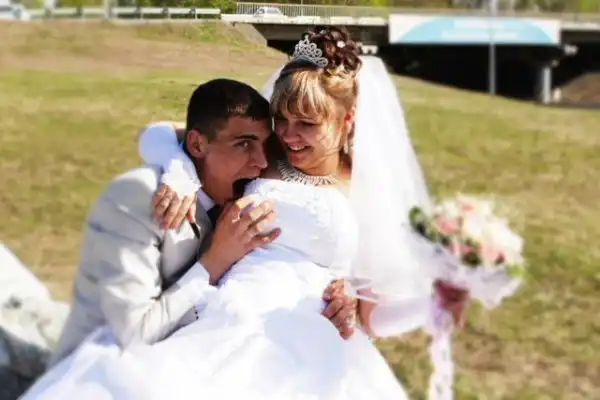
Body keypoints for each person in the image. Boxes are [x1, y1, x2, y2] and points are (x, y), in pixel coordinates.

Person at [22, 27, 467, 399]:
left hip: (305, 326)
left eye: (307, 124)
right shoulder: (264, 153)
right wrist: (179, 171)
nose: (289, 135)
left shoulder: (364, 187)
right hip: (224, 303)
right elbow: (159, 132)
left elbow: (375, 317)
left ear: (346, 120)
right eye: (282, 119)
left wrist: (434, 302)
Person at [47, 78, 356, 370]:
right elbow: (134, 336)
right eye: (245, 144)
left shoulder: (248, 178)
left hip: (264, 339)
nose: (263, 161)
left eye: (307, 123)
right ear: (196, 145)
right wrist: (180, 171)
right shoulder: (140, 199)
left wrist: (347, 295)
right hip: (112, 363)